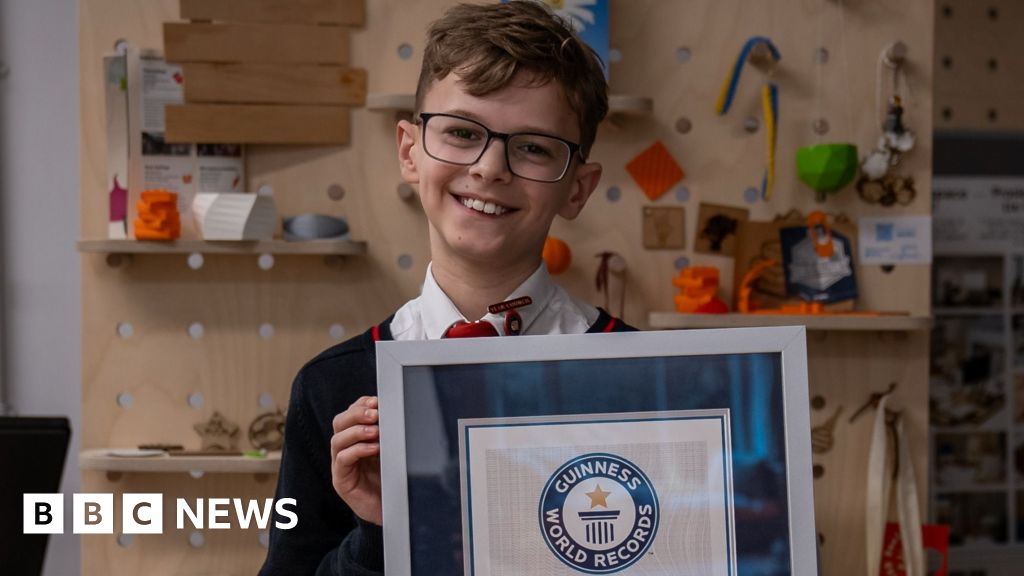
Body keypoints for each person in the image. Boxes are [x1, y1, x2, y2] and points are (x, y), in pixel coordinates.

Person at [259, 2, 634, 574]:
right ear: (410, 150)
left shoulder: (642, 373)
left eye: (534, 146)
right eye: (461, 132)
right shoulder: (332, 387)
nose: (490, 167)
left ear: (577, 189)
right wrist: (381, 531)